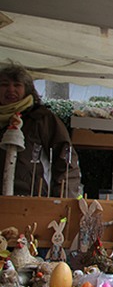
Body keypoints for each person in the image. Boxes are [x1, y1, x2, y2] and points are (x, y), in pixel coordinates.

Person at [0, 64, 82, 197]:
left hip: (32, 200)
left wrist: (64, 199)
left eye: (17, 85)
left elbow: (66, 160)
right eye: (4, 85)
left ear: (27, 89)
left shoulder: (42, 118)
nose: (10, 90)